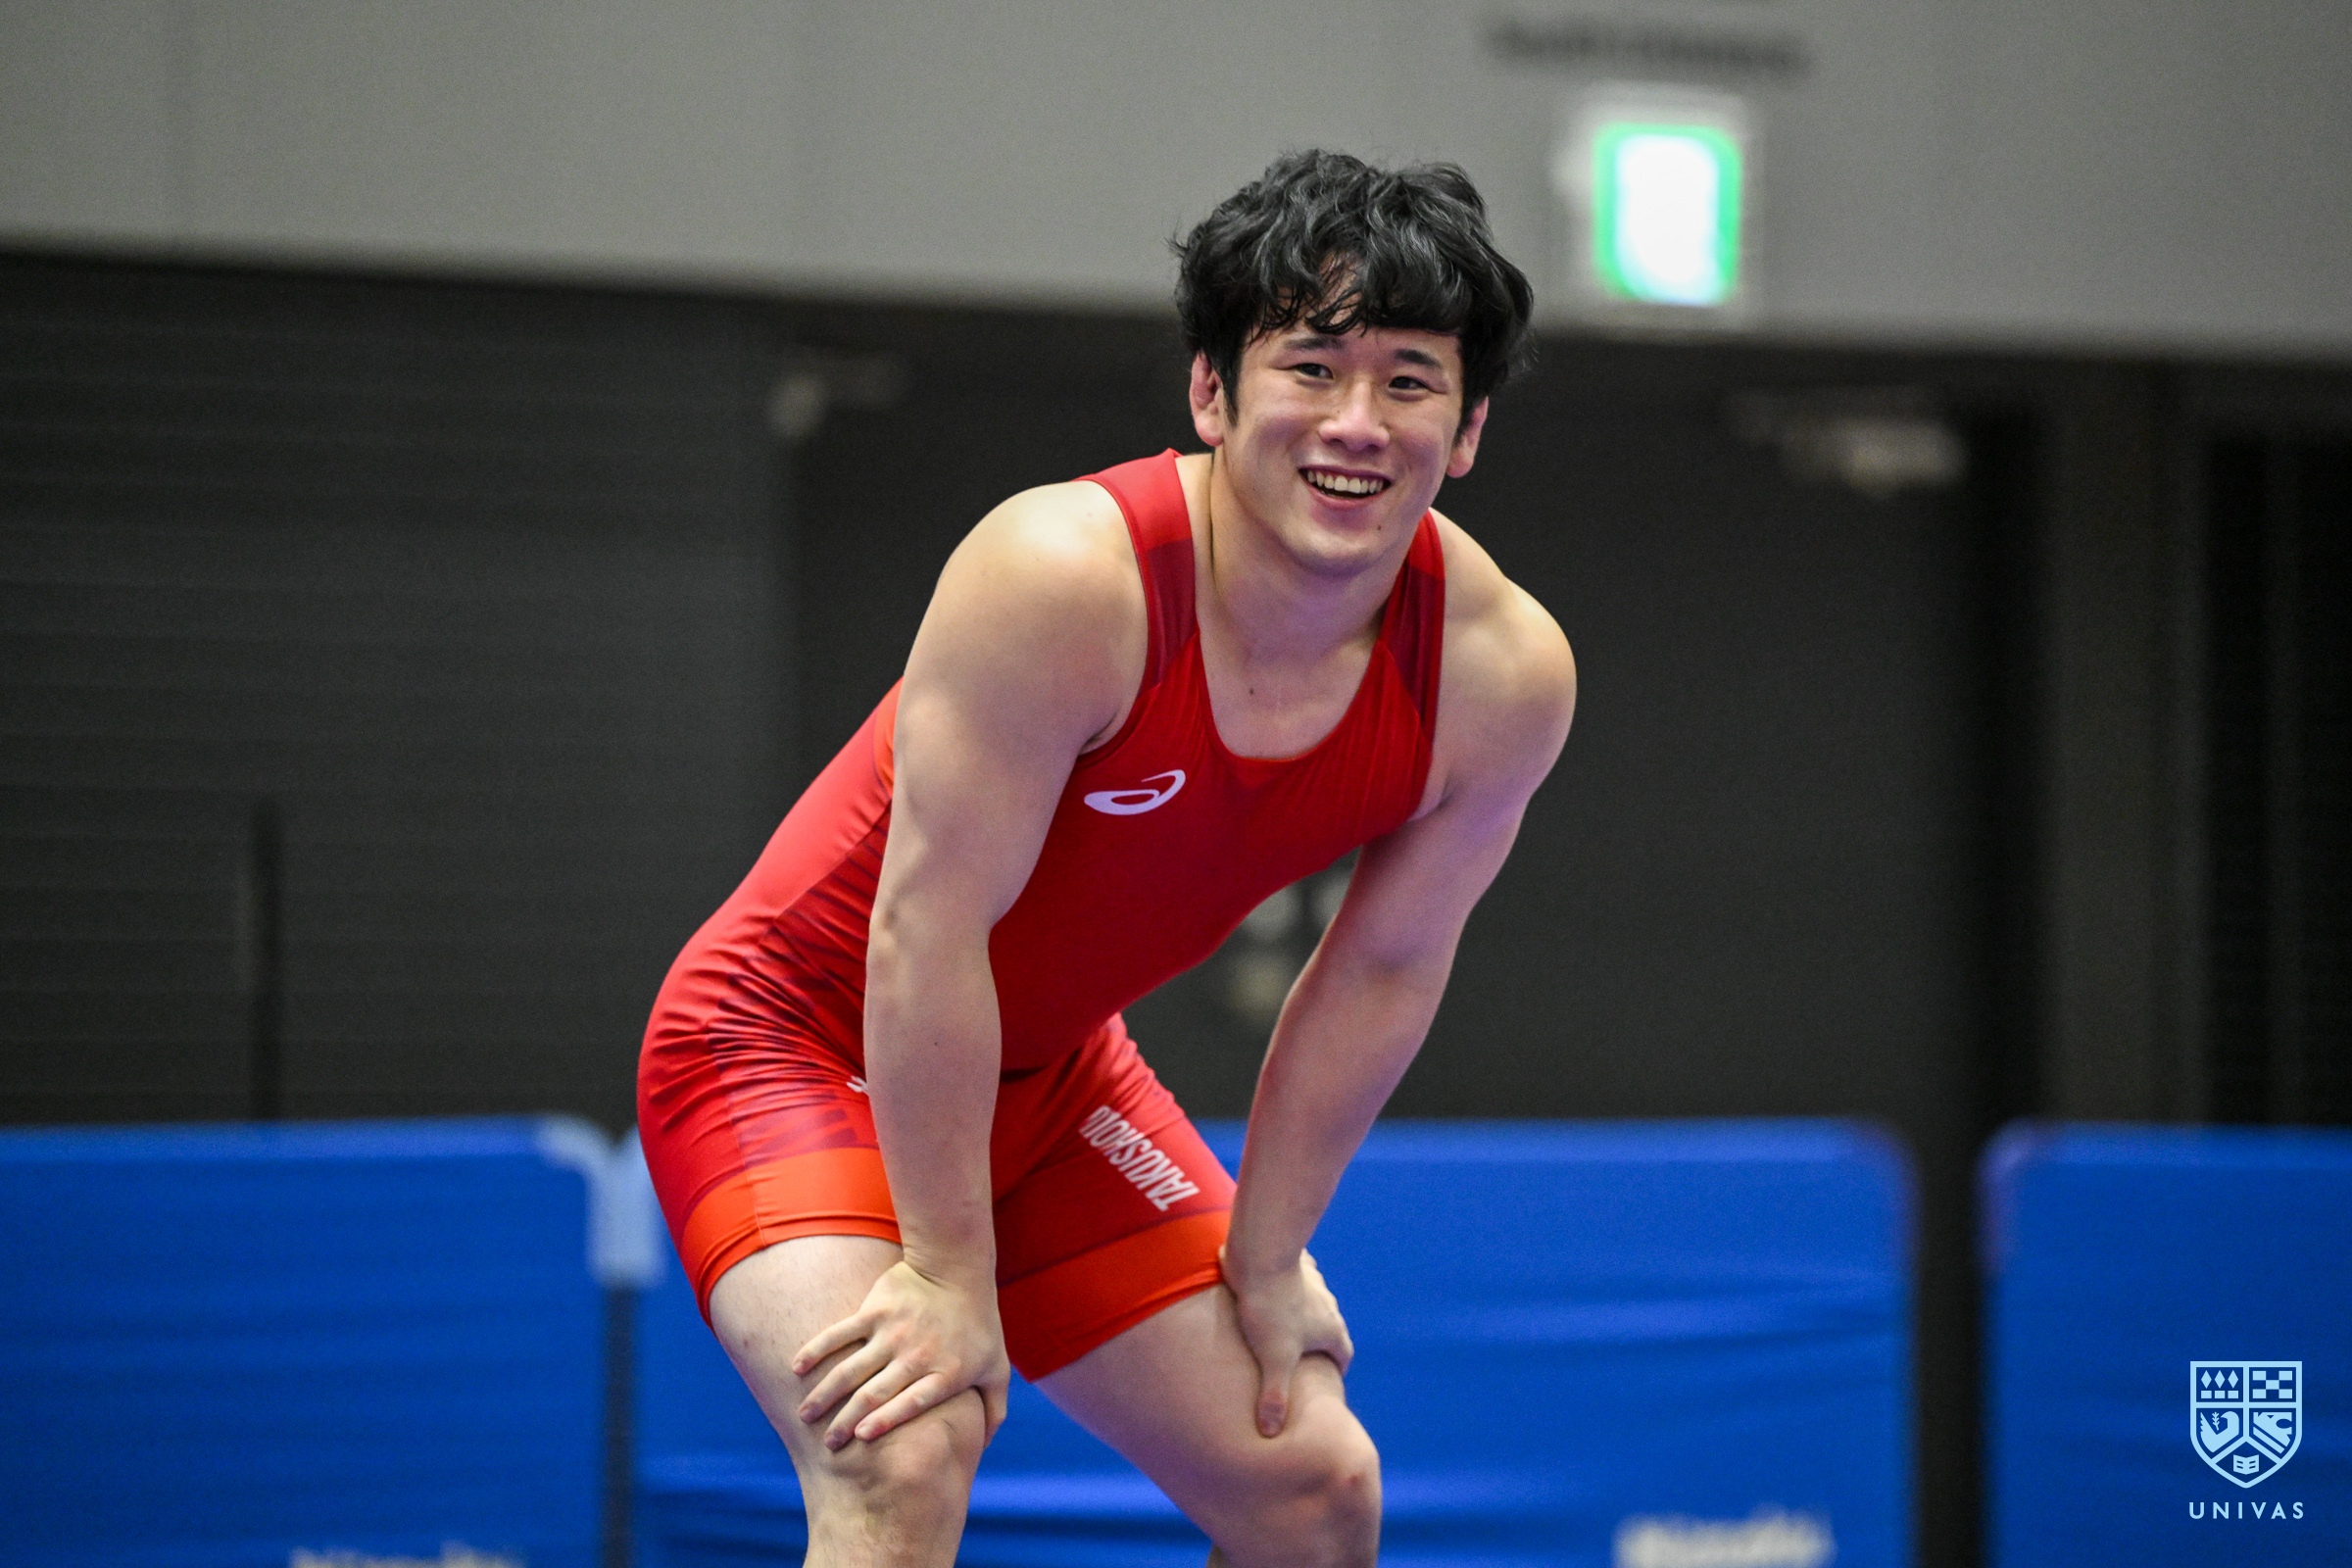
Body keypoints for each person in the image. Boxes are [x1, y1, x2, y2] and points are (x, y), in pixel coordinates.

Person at [637, 149, 1575, 1567]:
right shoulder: (1065, 577)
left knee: (1314, 1489)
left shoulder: (1499, 675)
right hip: (792, 1041)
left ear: (1469, 428)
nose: (1356, 423)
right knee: (906, 1442)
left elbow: (1383, 968)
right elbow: (927, 930)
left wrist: (1267, 1252)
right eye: (1310, 367)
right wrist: (946, 1272)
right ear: (1211, 393)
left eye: (1408, 380)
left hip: (1052, 1081)